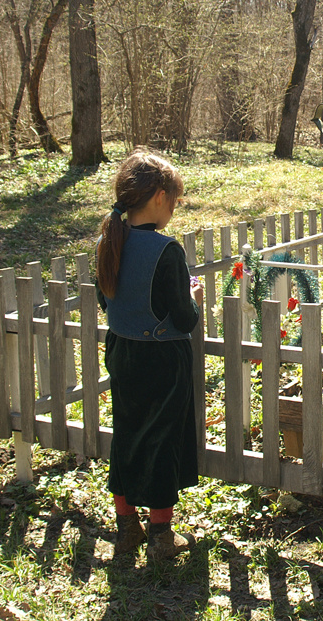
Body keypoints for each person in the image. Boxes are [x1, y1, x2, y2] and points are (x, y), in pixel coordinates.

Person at [96, 149, 202, 561]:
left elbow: (109, 300)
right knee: (161, 440)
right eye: (174, 200)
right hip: (162, 360)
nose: (173, 208)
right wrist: (193, 297)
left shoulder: (110, 239)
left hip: (122, 351)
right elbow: (183, 318)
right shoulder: (166, 250)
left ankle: (127, 527)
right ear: (159, 196)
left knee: (127, 433)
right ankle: (161, 534)